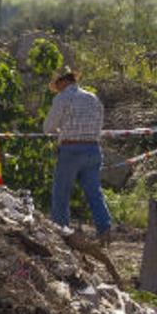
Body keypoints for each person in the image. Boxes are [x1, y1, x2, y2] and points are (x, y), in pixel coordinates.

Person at [43, 66, 113, 241]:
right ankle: (105, 230)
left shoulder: (62, 98)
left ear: (63, 81)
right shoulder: (93, 98)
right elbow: (99, 124)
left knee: (61, 193)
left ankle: (61, 233)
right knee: (94, 193)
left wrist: (61, 130)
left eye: (57, 84)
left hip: (71, 150)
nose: (56, 88)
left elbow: (48, 128)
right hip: (93, 148)